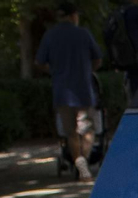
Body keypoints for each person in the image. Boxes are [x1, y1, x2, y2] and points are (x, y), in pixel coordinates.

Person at [36, 1, 103, 181]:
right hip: (83, 90)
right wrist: (88, 70)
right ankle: (85, 165)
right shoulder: (83, 34)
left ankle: (81, 167)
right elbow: (98, 58)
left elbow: (40, 62)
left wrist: (54, 71)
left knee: (70, 132)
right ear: (73, 16)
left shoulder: (50, 36)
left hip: (62, 91)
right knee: (87, 130)